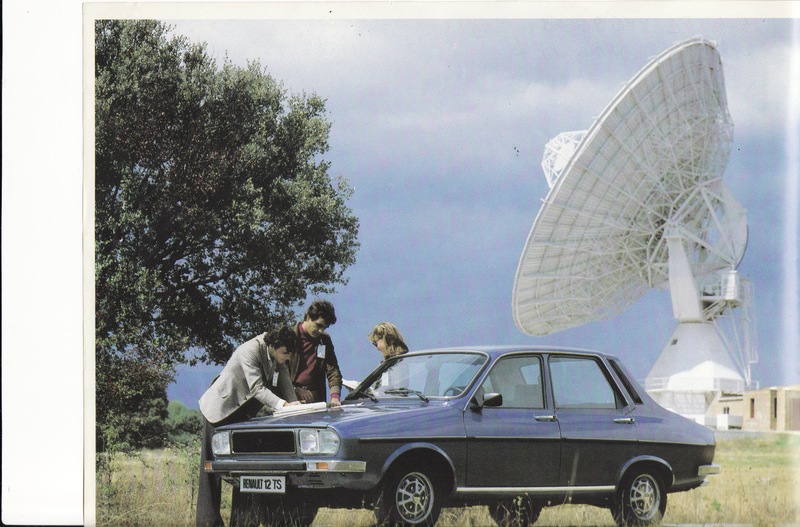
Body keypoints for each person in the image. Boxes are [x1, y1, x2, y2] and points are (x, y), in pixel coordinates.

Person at [196, 326, 301, 527]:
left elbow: (285, 378)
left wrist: (295, 405)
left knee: (243, 468)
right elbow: (257, 388)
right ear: (273, 345)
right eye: (285, 353)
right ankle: (207, 522)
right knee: (210, 471)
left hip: (241, 414)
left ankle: (242, 522)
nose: (287, 358)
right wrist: (284, 405)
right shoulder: (250, 350)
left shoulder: (278, 356)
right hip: (219, 410)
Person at [288, 299, 343, 407]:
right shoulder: (289, 336)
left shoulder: (324, 340)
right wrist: (295, 389)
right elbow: (279, 372)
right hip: (291, 399)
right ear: (308, 317)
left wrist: (335, 397)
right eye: (319, 325)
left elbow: (333, 370)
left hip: (316, 399)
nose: (321, 331)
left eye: (325, 327)